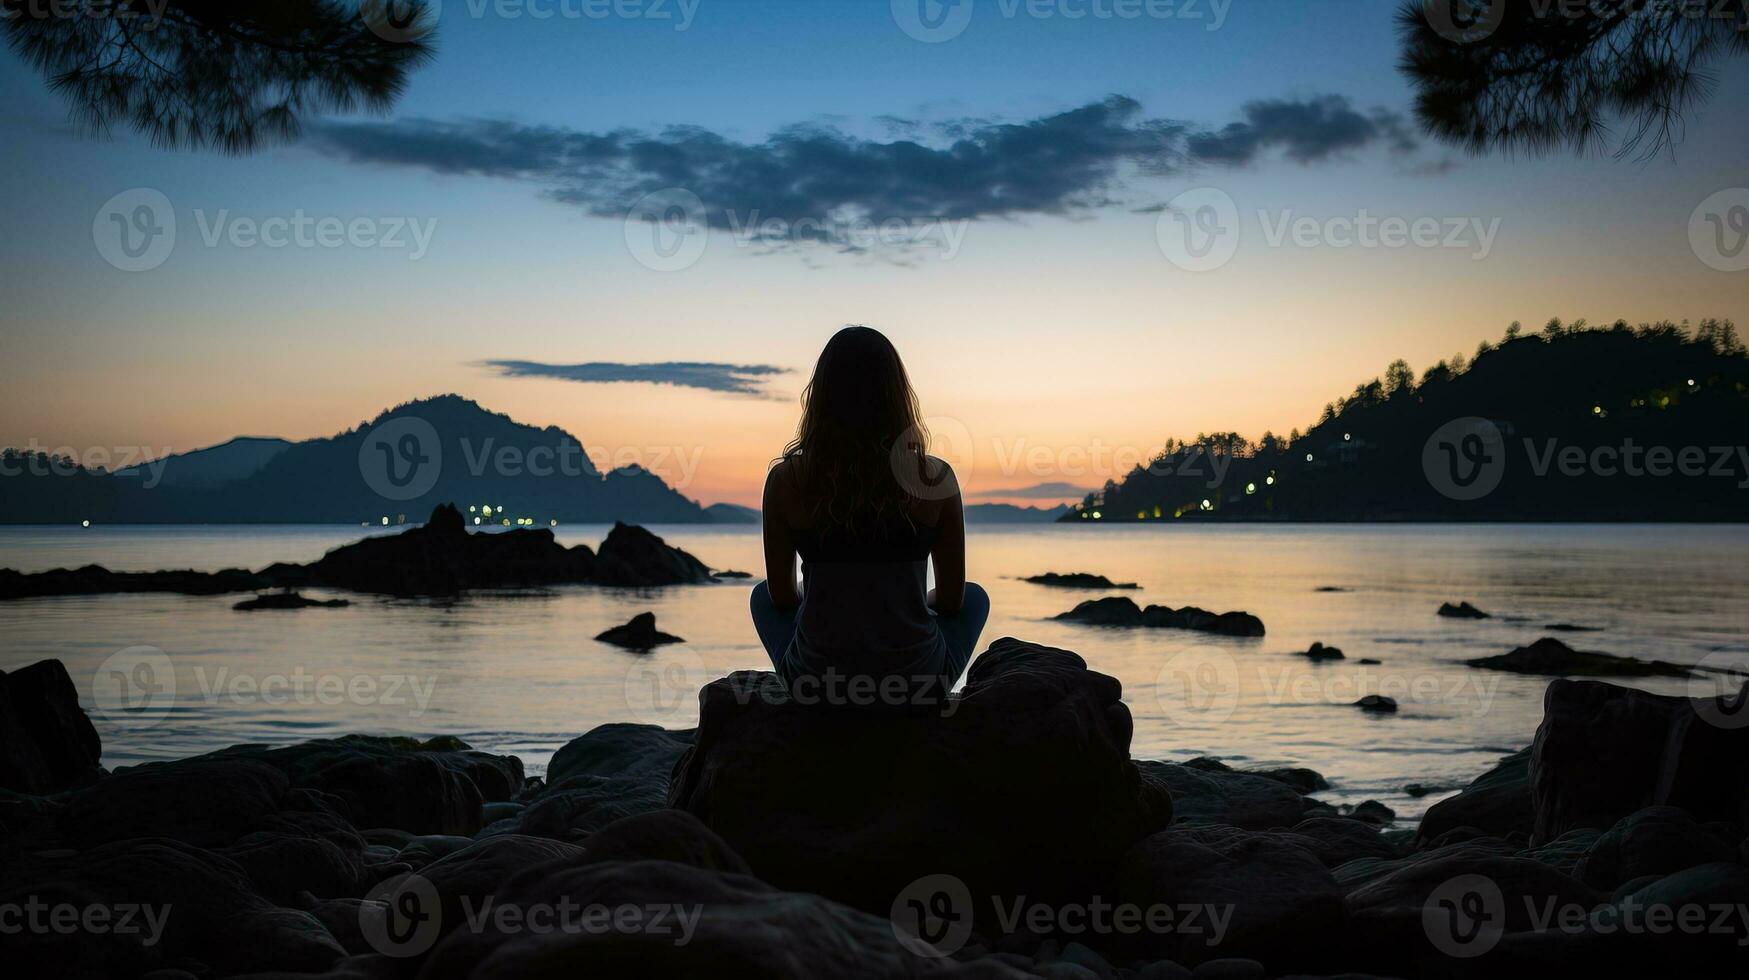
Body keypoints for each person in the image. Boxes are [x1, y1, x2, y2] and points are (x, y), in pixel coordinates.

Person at [749, 325, 990, 706]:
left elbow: (781, 598)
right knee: (975, 598)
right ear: (898, 398)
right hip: (913, 685)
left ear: (820, 398)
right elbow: (950, 601)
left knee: (760, 597)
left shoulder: (787, 481)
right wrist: (913, 604)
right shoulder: (934, 478)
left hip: (818, 685)